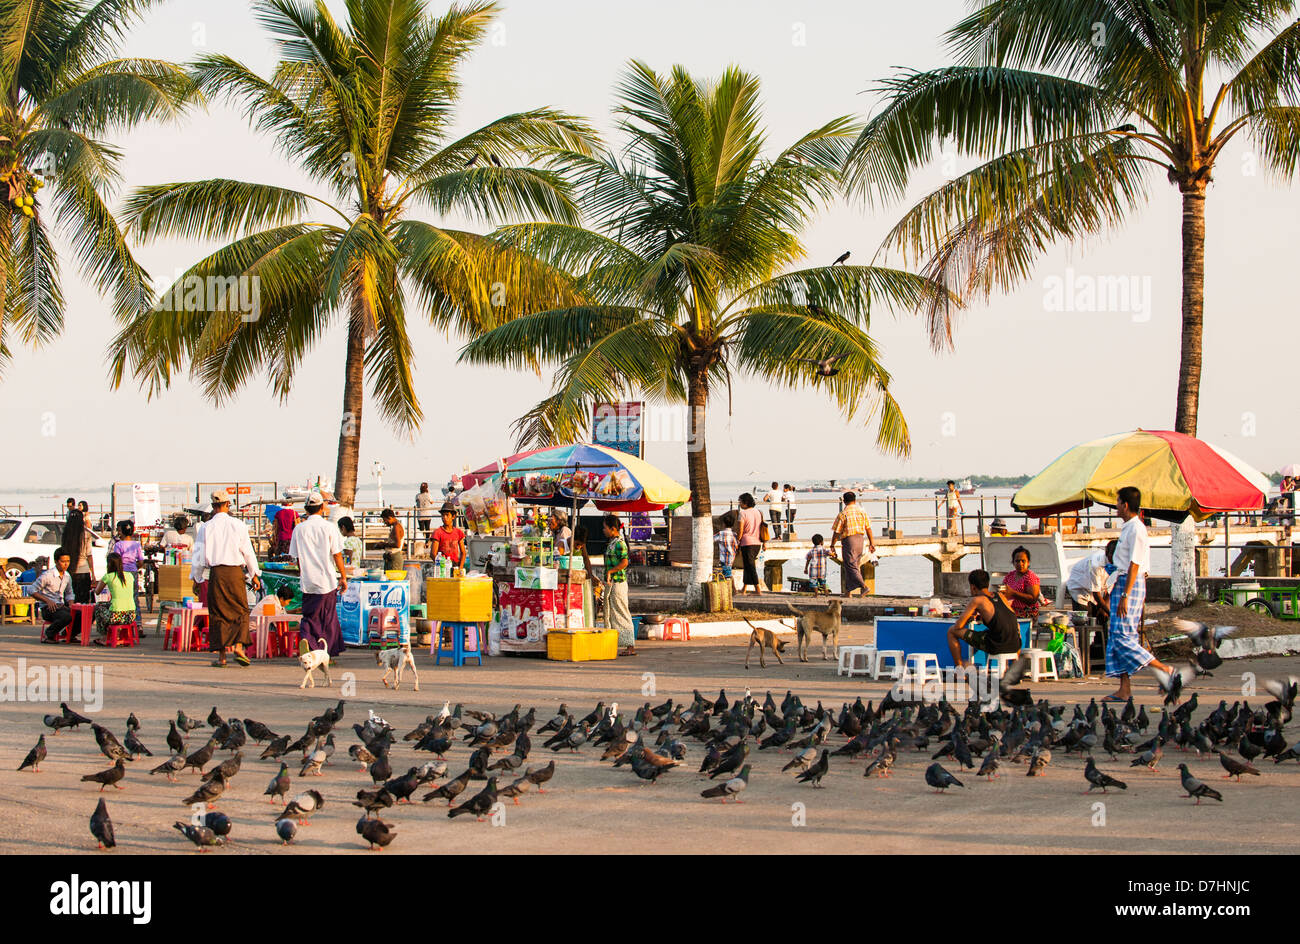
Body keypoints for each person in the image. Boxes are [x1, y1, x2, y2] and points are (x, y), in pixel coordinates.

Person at [1106, 486, 1173, 701]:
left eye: (1117, 502)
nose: (1115, 506)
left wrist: (1125, 595)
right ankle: (1124, 688)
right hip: (1121, 582)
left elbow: (1135, 564)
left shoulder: (1136, 529)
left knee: (1122, 637)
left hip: (1130, 584)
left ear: (1125, 505)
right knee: (1118, 637)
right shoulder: (1128, 528)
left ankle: (1163, 669)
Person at [192, 491, 261, 667]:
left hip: (217, 574)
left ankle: (222, 656)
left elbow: (198, 556)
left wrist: (197, 578)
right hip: (235, 573)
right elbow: (248, 552)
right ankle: (239, 647)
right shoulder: (238, 525)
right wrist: (254, 574)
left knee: (218, 613)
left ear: (213, 506)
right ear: (228, 504)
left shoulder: (206, 527)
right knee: (241, 610)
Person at [288, 491, 347, 657]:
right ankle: (325, 652)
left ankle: (307, 639)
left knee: (309, 615)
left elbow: (297, 557)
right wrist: (343, 576)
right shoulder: (328, 527)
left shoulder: (299, 529)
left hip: (308, 580)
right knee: (327, 618)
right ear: (322, 507)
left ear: (307, 509)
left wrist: (303, 573)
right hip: (326, 579)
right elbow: (337, 554)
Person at [947, 569, 1025, 668]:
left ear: (973, 587)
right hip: (1016, 645)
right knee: (1007, 629)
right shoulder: (1001, 596)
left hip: (997, 646)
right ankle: (1011, 667)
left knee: (951, 631)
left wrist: (968, 617)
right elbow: (1001, 617)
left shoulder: (977, 600)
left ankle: (959, 670)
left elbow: (958, 626)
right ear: (988, 584)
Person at [830, 491, 875, 597]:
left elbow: (837, 531)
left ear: (844, 501)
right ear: (855, 500)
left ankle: (864, 586)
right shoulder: (862, 512)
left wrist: (832, 545)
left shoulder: (843, 514)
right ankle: (848, 592)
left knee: (850, 565)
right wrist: (872, 543)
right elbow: (868, 528)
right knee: (853, 565)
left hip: (849, 541)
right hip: (860, 540)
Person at [1066, 539, 1118, 629]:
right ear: (1107, 553)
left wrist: (1104, 608)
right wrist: (1110, 613)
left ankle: (1100, 642)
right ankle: (1084, 642)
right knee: (1083, 623)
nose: (1115, 558)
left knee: (1102, 620)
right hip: (1079, 588)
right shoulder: (1096, 564)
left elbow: (1110, 588)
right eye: (1112, 555)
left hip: (1098, 590)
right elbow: (1096, 594)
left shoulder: (1118, 564)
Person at [602, 514, 634, 655]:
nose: (603, 530)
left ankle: (630, 645)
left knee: (621, 612)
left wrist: (611, 571)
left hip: (618, 582)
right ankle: (614, 642)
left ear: (613, 528)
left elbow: (624, 562)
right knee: (613, 614)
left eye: (605, 528)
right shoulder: (612, 542)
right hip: (612, 584)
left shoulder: (619, 543)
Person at [91, 552, 137, 643]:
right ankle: (121, 635)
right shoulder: (130, 576)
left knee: (98, 607)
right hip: (131, 615)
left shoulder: (108, 576)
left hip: (116, 616)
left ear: (108, 564)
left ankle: (104, 637)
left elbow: (97, 592)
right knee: (106, 605)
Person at [34, 549, 75, 643]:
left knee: (80, 614)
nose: (66, 564)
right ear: (56, 562)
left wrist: (71, 603)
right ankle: (49, 635)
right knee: (66, 616)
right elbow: (31, 590)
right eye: (63, 561)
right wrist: (47, 601)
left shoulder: (67, 576)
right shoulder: (47, 575)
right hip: (48, 609)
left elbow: (69, 592)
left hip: (61, 607)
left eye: (68, 561)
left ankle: (70, 634)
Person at [112, 520, 144, 629]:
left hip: (122, 573)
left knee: (121, 598)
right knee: (134, 598)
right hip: (133, 573)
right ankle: (138, 624)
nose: (118, 533)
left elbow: (116, 560)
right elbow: (140, 561)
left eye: (120, 531)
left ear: (123, 532)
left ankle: (123, 622)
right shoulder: (136, 544)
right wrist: (134, 568)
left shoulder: (118, 545)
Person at [61, 509, 97, 604]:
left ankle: (71, 618)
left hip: (69, 570)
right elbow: (89, 555)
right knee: (83, 601)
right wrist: (93, 573)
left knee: (69, 599)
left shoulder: (65, 534)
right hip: (83, 571)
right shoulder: (86, 534)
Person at [1001, 546, 1044, 621]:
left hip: (1026, 613)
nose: (1020, 563)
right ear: (1013, 562)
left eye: (1023, 561)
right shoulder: (1010, 576)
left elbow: (1033, 599)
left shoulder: (1030, 577)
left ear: (1028, 562)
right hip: (1011, 610)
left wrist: (1013, 593)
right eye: (1017, 561)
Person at [735, 493, 765, 594]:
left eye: (740, 502)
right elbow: (762, 528)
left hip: (746, 542)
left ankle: (758, 589)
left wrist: (737, 541)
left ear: (745, 502)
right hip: (757, 543)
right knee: (747, 566)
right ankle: (744, 588)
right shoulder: (759, 512)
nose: (739, 504)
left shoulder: (742, 514)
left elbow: (740, 530)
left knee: (751, 566)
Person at [188, 503, 213, 604]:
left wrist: (196, 578)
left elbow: (199, 557)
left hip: (206, 575)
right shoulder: (235, 526)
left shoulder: (202, 528)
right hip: (227, 576)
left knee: (205, 607)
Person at [713, 512, 738, 581]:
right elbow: (736, 545)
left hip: (724, 558)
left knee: (727, 576)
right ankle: (733, 589)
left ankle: (732, 589)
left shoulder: (721, 534)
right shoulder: (734, 534)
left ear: (723, 524)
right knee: (727, 574)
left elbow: (712, 539)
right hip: (731, 557)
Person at [415, 483, 437, 547]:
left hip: (420, 514)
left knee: (421, 529)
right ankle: (427, 542)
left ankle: (422, 541)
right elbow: (432, 502)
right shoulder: (429, 495)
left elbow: (417, 502)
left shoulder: (418, 495)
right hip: (427, 514)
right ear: (427, 488)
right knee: (427, 528)